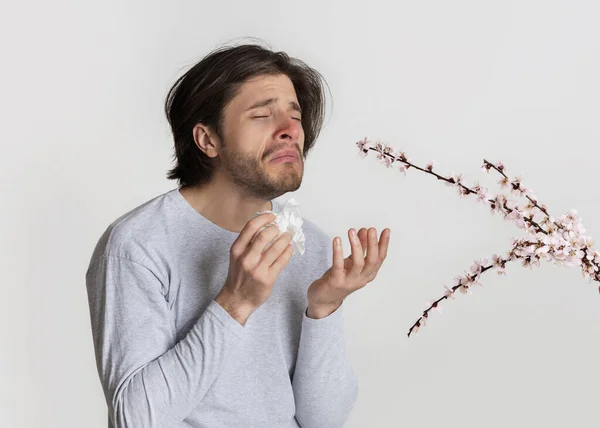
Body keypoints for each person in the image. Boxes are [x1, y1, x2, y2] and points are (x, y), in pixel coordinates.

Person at [85, 41, 391, 428]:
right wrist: (235, 303)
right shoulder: (136, 245)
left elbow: (323, 421)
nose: (289, 131)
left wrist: (324, 309)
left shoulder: (306, 243)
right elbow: (136, 419)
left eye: (294, 116)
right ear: (207, 140)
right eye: (262, 115)